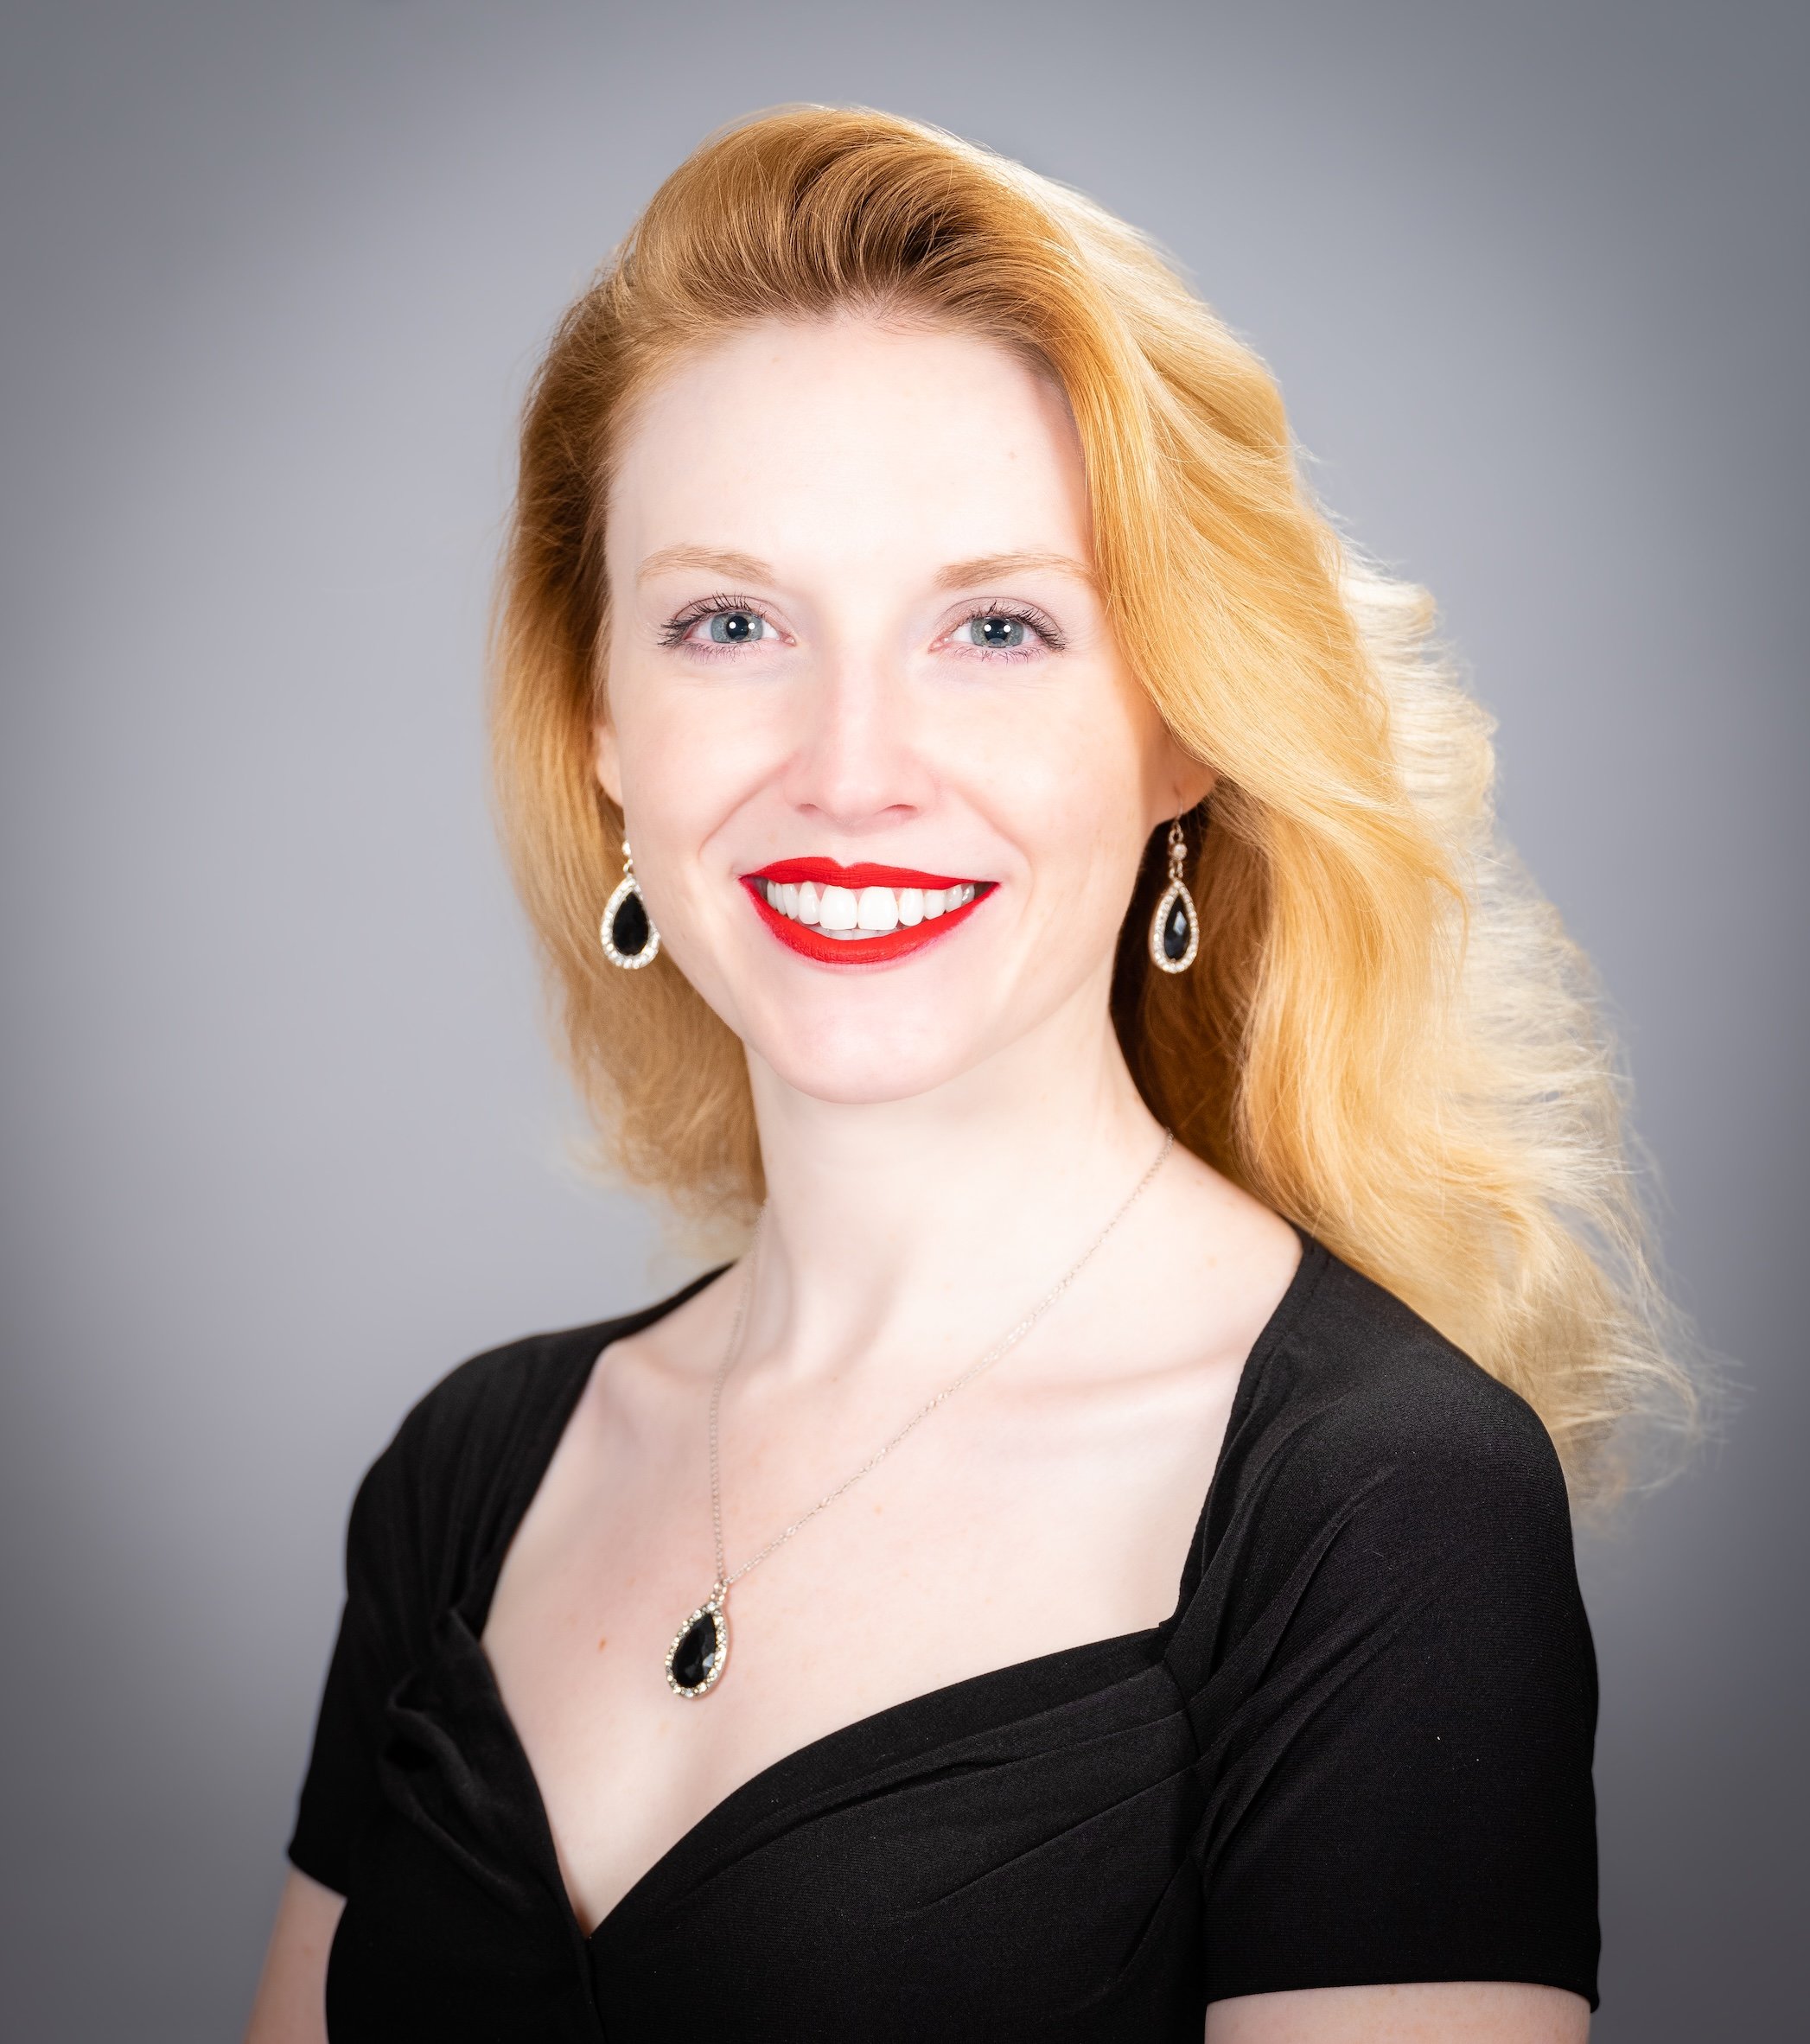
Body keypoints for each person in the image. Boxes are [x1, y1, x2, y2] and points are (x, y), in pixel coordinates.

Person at [245, 105, 1694, 2041]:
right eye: (730, 622)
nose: (853, 767)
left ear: (1183, 723)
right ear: (600, 716)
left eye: (996, 625)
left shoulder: (1378, 1504)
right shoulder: (469, 1476)